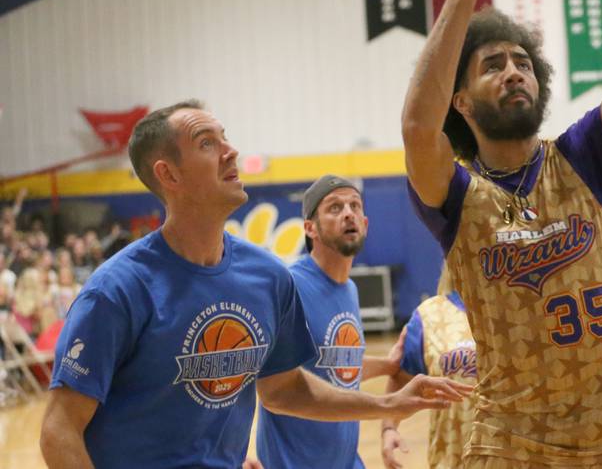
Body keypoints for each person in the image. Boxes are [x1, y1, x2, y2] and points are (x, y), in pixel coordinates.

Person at [39, 101, 472, 469]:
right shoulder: (116, 290)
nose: (231, 152)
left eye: (225, 137)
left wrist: (388, 404)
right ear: (168, 175)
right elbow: (59, 429)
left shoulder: (266, 277)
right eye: (207, 143)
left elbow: (284, 390)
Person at [400, 0, 602, 466]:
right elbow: (415, 129)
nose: (513, 71)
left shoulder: (585, 157)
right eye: (493, 65)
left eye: (523, 62)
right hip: (509, 445)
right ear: (462, 100)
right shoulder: (455, 194)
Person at [256, 174, 407, 469]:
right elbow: (273, 382)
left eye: (355, 206)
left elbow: (334, 368)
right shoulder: (290, 286)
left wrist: (388, 365)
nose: (349, 212)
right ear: (310, 228)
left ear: (365, 223)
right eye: (335, 208)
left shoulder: (349, 289)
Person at [381, 264, 477, 469]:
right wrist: (389, 428)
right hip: (451, 459)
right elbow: (402, 379)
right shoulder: (430, 315)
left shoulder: (521, 307)